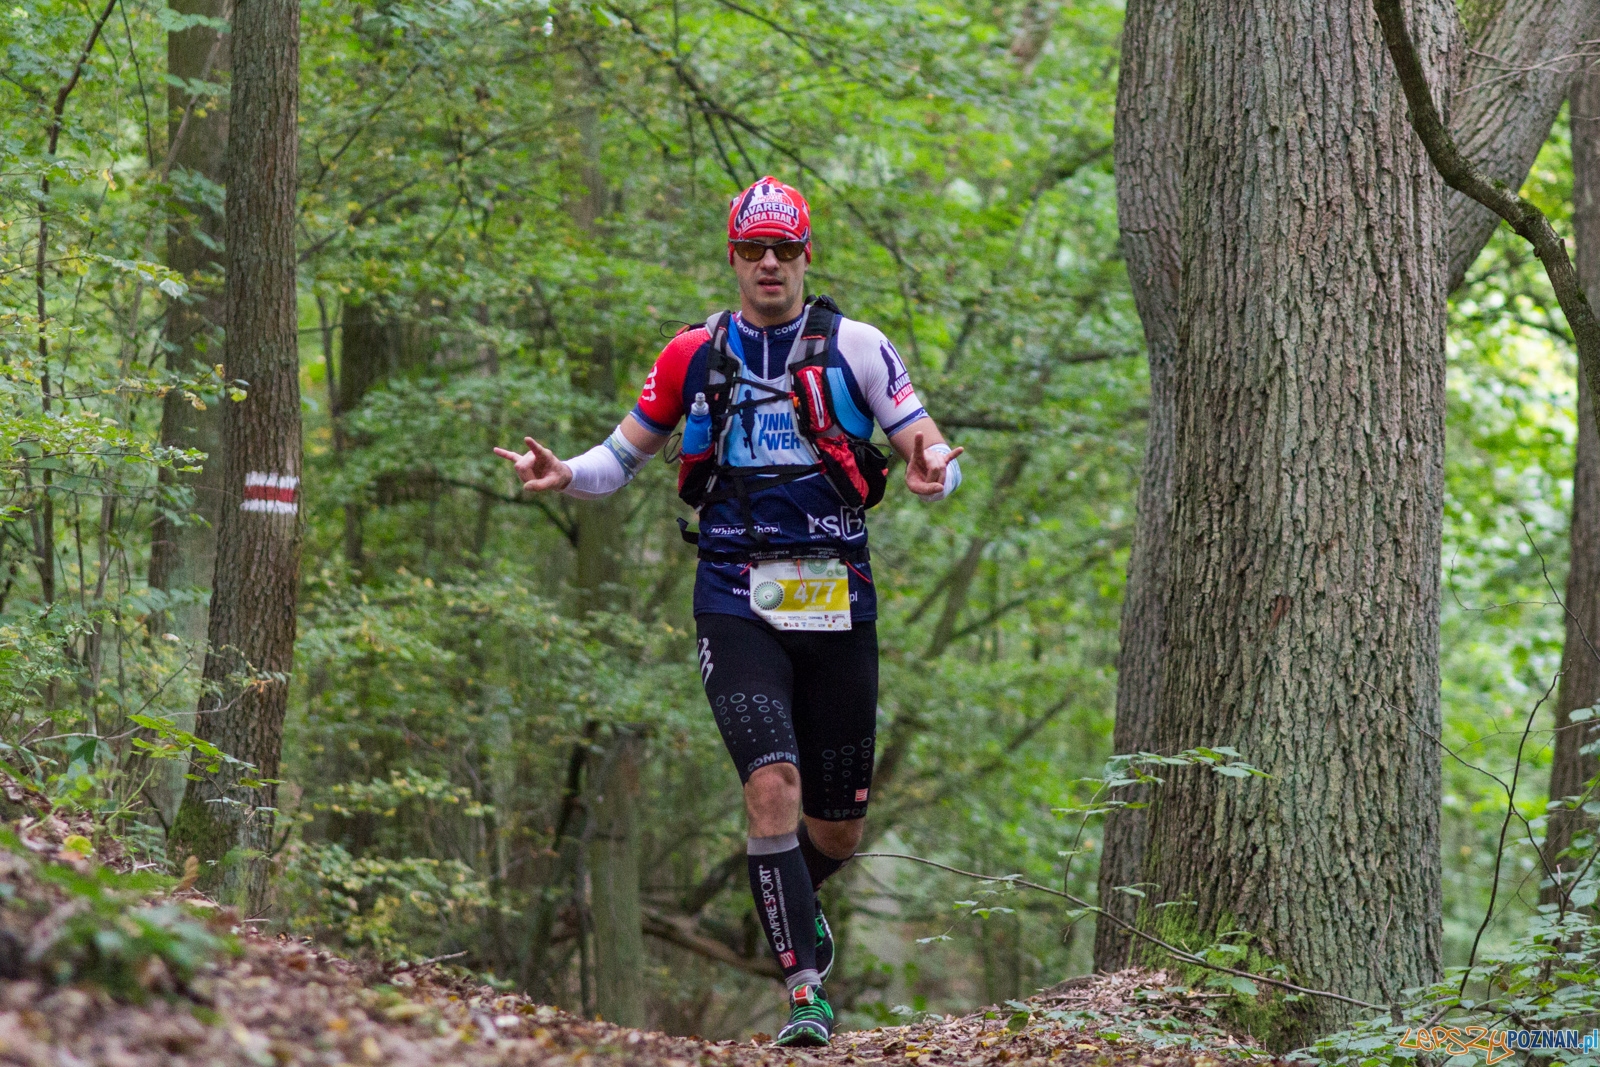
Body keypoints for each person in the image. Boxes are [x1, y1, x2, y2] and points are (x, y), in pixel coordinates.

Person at [495, 176, 963, 1047]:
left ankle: (793, 899)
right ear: (734, 258)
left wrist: (936, 471)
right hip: (735, 597)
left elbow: (927, 444)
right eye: (754, 250)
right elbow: (619, 457)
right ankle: (804, 994)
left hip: (836, 597)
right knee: (770, 785)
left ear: (806, 254)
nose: (770, 263)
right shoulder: (693, 354)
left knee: (839, 828)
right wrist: (565, 474)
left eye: (784, 248)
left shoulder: (857, 346)